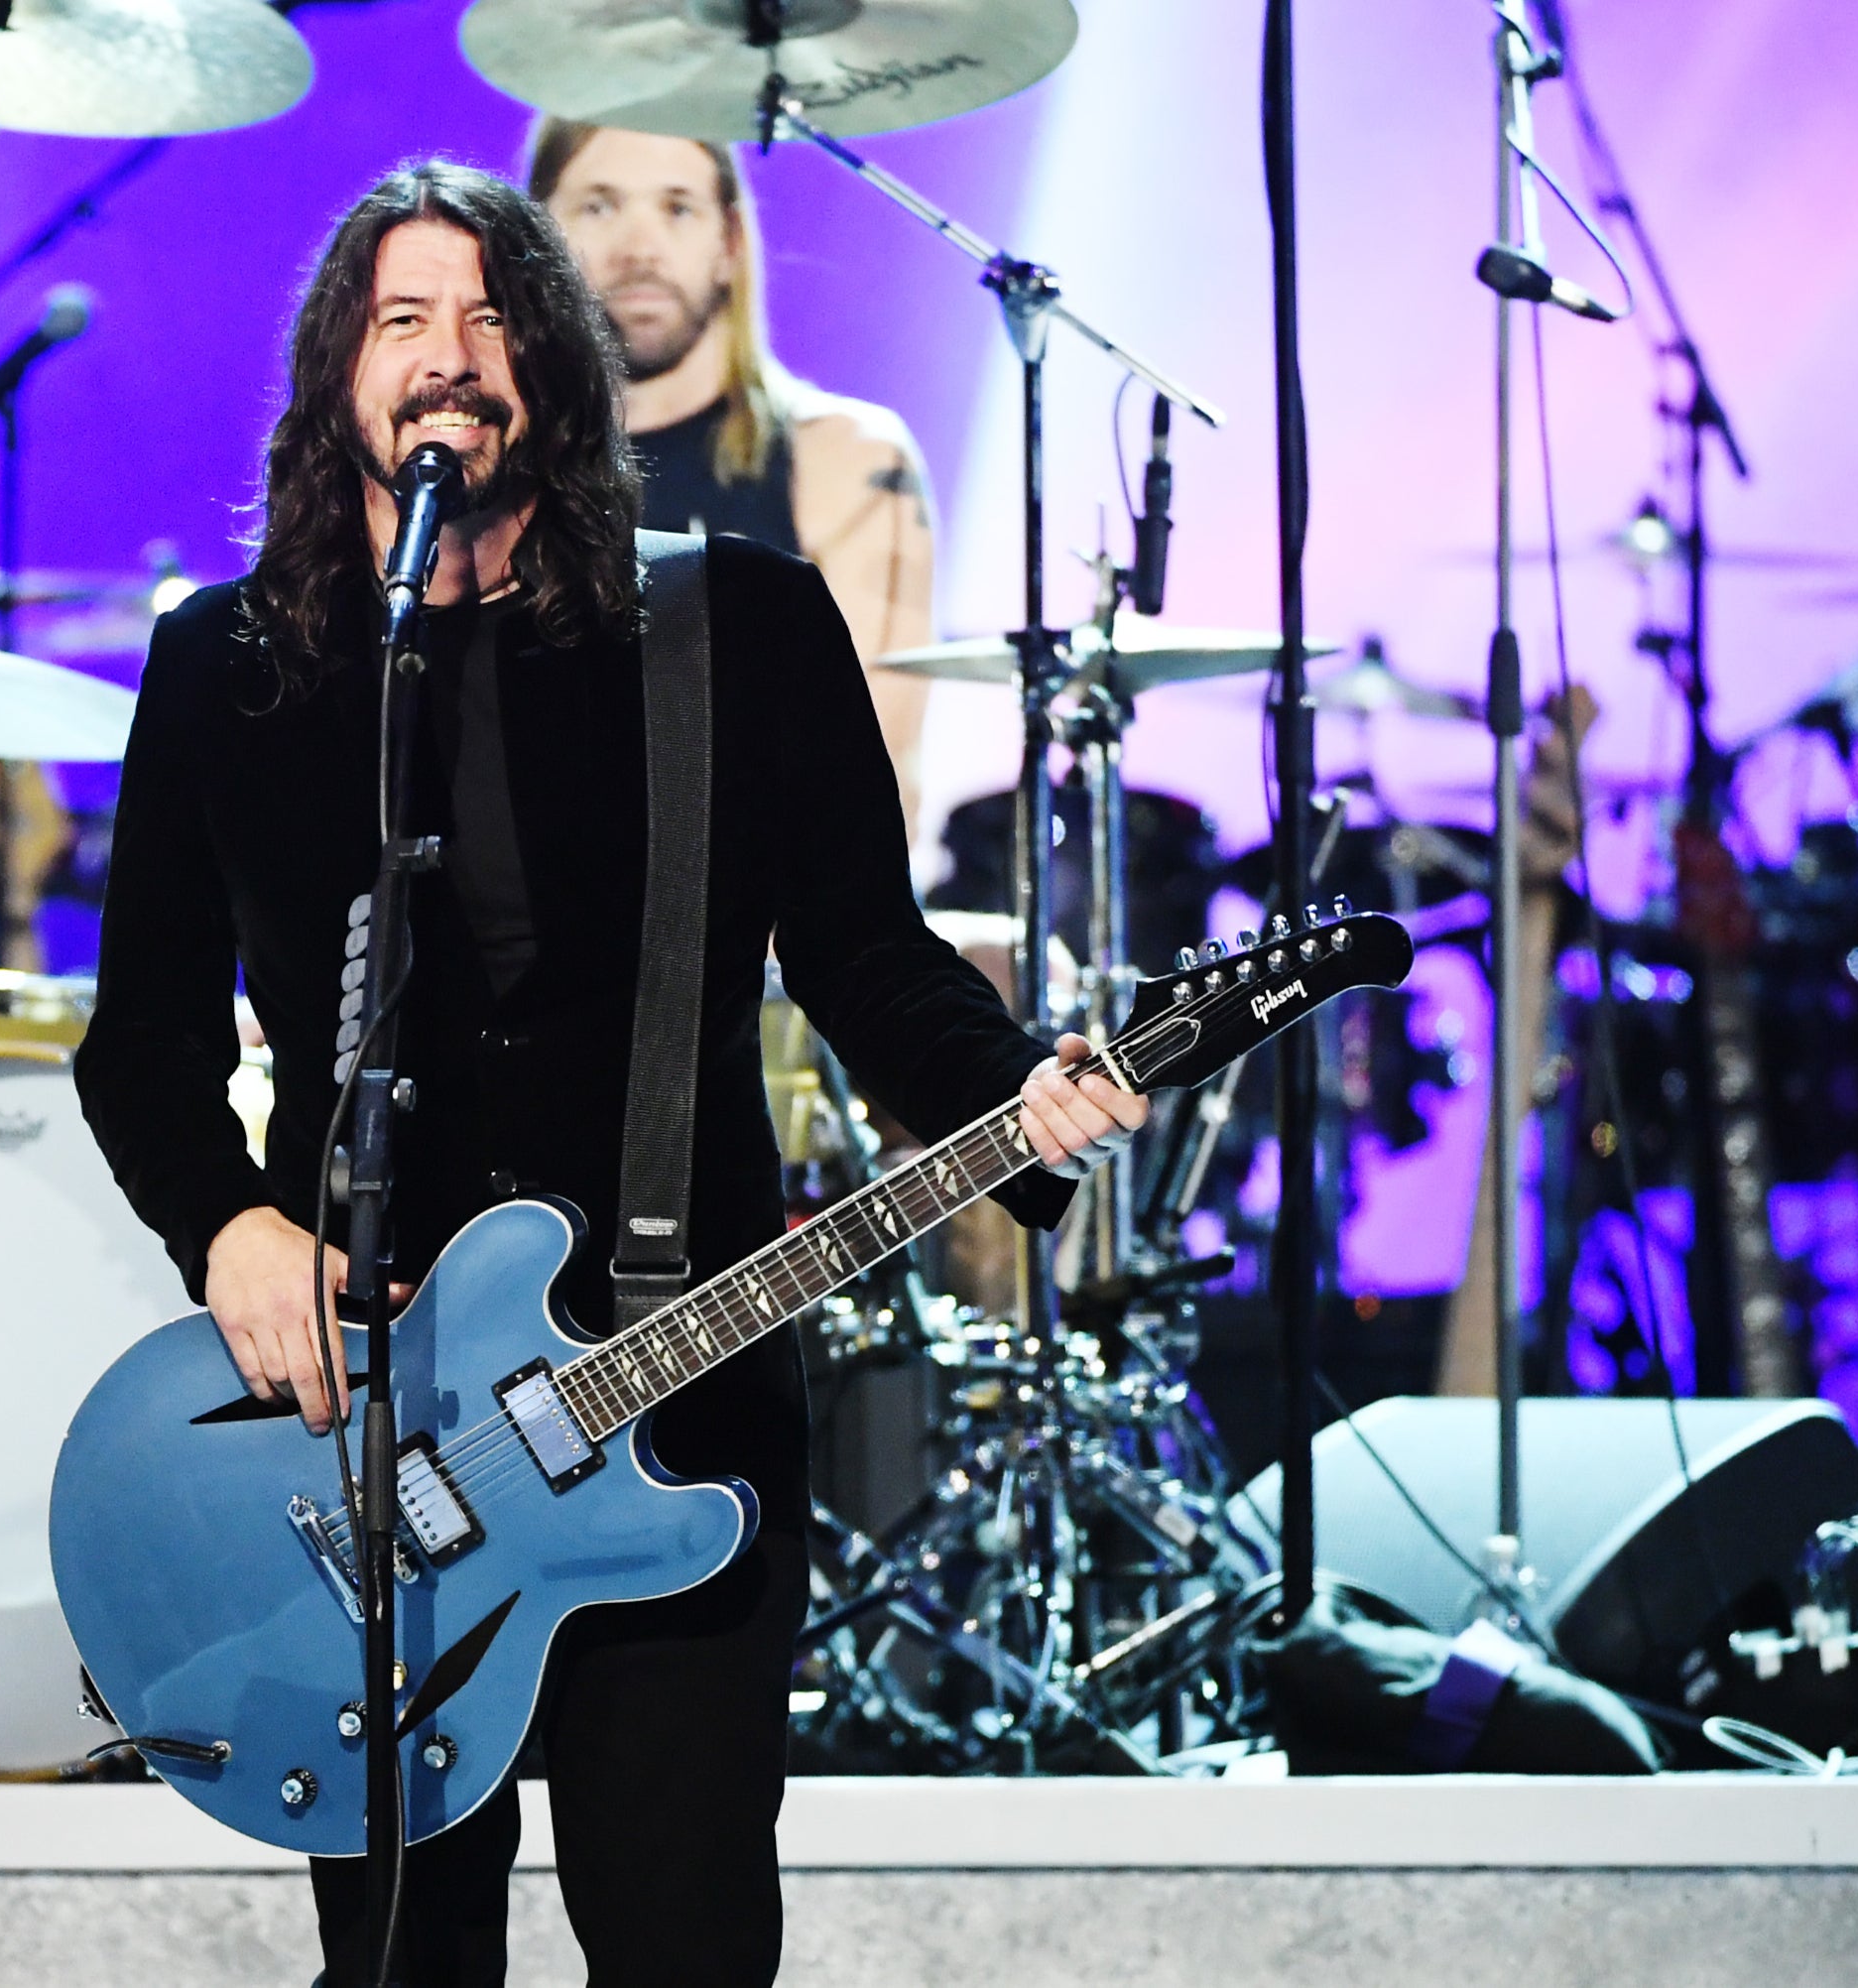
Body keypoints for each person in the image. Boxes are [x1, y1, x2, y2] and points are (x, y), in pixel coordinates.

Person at [73, 162, 1143, 1988]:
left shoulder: (726, 625)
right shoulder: (227, 665)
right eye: (402, 319)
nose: (448, 357)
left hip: (682, 1384)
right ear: (338, 367)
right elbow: (143, 1035)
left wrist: (1014, 1103)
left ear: (553, 369)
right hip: (371, 1440)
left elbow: (865, 962)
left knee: (681, 1942)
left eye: (492, 315)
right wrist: (232, 1222)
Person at [529, 119, 939, 836]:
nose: (640, 249)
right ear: (534, 241)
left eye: (677, 207)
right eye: (598, 206)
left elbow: (868, 790)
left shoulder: (849, 461)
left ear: (727, 244)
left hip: (764, 935)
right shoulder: (489, 476)